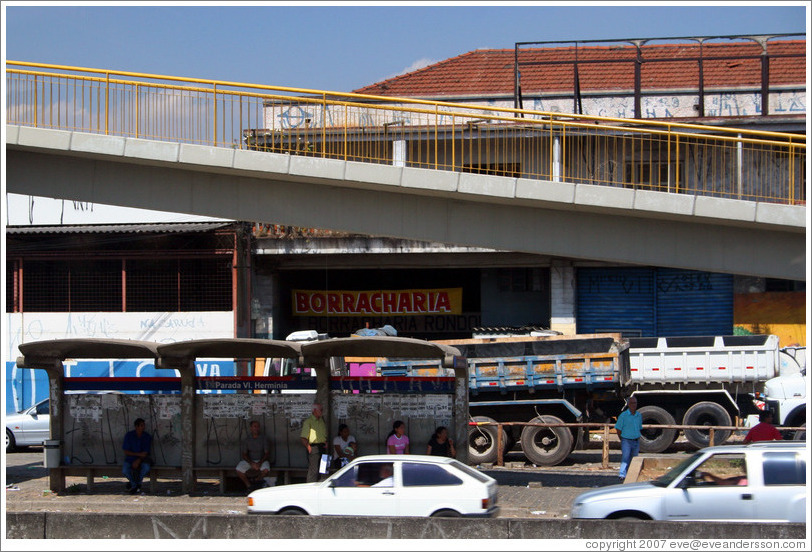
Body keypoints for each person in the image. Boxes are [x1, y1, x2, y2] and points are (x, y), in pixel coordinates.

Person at [236, 420, 271, 491]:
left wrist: (259, 463)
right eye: (254, 426)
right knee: (238, 469)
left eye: (258, 427)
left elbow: (267, 453)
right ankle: (249, 486)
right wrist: (251, 463)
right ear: (251, 428)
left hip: (261, 460)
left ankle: (256, 480)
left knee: (266, 469)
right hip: (250, 461)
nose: (256, 428)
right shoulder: (247, 439)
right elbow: (244, 454)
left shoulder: (263, 438)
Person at [614, 396, 642, 481]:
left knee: (634, 459)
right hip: (626, 440)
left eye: (635, 403)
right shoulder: (623, 416)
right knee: (625, 457)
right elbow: (618, 428)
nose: (634, 405)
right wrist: (621, 438)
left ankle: (631, 474)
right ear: (628, 404)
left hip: (636, 440)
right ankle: (622, 474)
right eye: (632, 403)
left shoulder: (639, 415)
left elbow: (639, 427)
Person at [122, 418, 152, 495]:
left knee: (146, 468)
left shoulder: (146, 436)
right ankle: (134, 484)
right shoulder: (129, 435)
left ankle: (137, 483)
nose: (143, 427)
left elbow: (145, 452)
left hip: (142, 459)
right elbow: (126, 451)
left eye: (143, 425)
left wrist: (138, 459)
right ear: (136, 426)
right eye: (141, 426)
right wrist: (138, 455)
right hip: (130, 459)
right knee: (125, 470)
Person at [301, 402, 328, 483]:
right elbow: (303, 437)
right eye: (320, 410)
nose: (322, 411)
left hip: (322, 446)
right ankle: (310, 486)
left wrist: (325, 442)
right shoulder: (308, 422)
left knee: (324, 468)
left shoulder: (322, 420)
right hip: (314, 447)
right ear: (315, 410)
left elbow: (323, 433)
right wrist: (308, 447)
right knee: (314, 470)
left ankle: (322, 484)